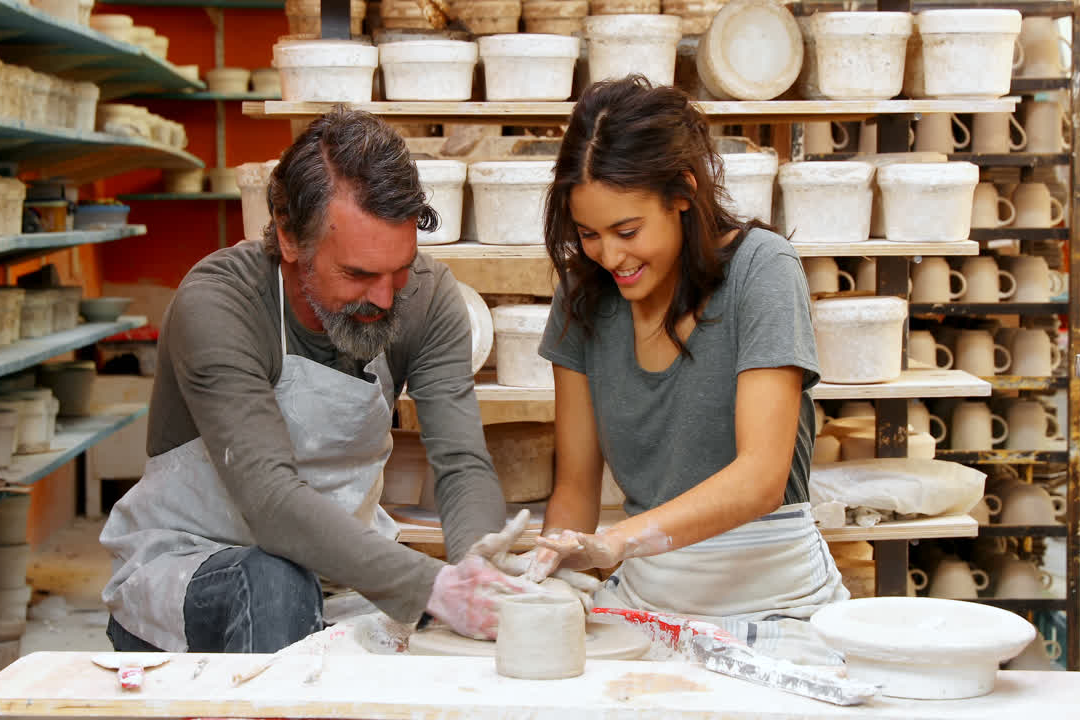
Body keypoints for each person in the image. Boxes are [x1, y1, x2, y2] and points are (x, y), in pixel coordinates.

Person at [100, 106, 524, 655]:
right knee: (276, 582)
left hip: (339, 572)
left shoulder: (427, 297)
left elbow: (462, 464)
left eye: (399, 267)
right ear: (290, 236)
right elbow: (272, 501)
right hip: (189, 568)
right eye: (357, 274)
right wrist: (432, 585)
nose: (385, 297)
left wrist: (475, 569)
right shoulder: (220, 303)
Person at [523, 77, 848, 665]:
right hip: (648, 591)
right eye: (589, 235)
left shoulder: (761, 270)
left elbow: (760, 478)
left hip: (774, 593)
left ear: (683, 193)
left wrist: (615, 541)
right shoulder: (583, 296)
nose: (610, 256)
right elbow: (576, 488)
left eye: (627, 231)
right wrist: (548, 575)